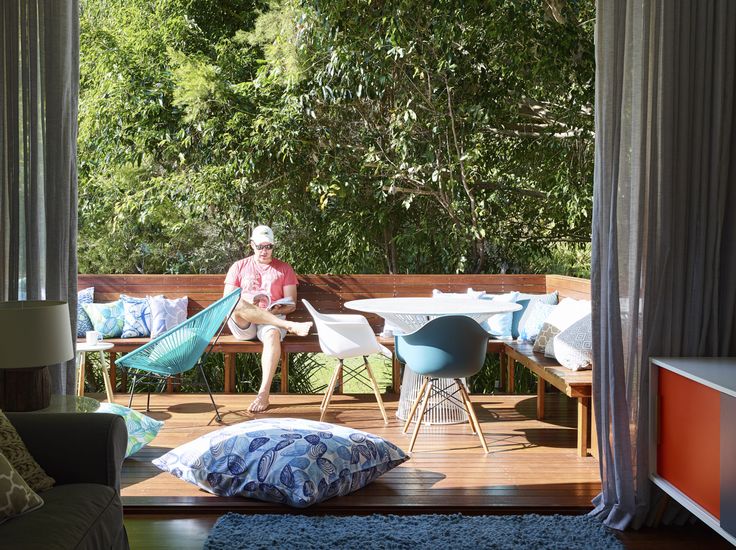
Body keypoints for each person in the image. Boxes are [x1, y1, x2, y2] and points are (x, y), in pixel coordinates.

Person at [224, 225, 312, 412]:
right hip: (243, 322)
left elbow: (291, 303)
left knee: (272, 335)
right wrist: (250, 303)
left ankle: (263, 393)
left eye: (268, 246)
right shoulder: (238, 266)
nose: (264, 251)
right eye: (260, 246)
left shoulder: (284, 269)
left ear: (273, 246)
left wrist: (278, 308)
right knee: (238, 304)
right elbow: (227, 301)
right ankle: (289, 325)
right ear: (252, 245)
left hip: (271, 319)